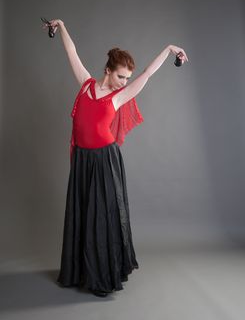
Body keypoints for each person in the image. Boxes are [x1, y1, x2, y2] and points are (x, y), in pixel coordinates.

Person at [42, 19, 188, 297]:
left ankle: (103, 277)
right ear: (108, 71)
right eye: (121, 77)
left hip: (105, 161)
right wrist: (61, 26)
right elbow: (72, 52)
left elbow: (146, 74)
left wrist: (169, 49)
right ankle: (79, 272)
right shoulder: (85, 85)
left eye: (127, 79)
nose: (125, 83)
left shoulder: (118, 97)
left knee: (103, 218)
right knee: (82, 214)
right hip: (84, 161)